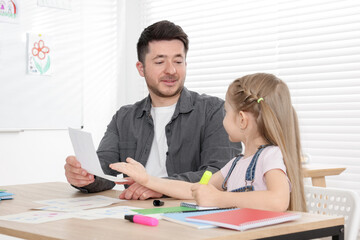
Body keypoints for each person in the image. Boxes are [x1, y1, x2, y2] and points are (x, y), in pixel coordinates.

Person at [64, 20, 241, 200]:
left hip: (186, 213)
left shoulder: (213, 110)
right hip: (134, 210)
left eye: (178, 61)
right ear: (141, 68)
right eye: (159, 62)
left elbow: (221, 173)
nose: (171, 70)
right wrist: (84, 176)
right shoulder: (124, 117)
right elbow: (105, 169)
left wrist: (160, 186)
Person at [110, 73, 307, 212]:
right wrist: (148, 180)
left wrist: (219, 198)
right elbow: (193, 189)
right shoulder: (234, 165)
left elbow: (277, 201)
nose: (222, 120)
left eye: (226, 113)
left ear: (242, 119)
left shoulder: (270, 156)